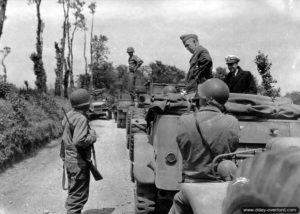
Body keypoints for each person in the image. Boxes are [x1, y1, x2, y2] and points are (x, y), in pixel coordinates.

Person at [168, 78, 240, 214]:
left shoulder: (185, 120)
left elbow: (183, 147)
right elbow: (233, 147)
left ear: (208, 99)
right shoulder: (232, 122)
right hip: (221, 186)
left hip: (191, 185)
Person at [60, 88, 97, 214]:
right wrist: (92, 135)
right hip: (78, 162)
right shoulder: (80, 118)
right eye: (89, 102)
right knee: (78, 197)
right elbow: (79, 140)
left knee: (74, 191)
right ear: (85, 104)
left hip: (70, 160)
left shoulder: (69, 115)